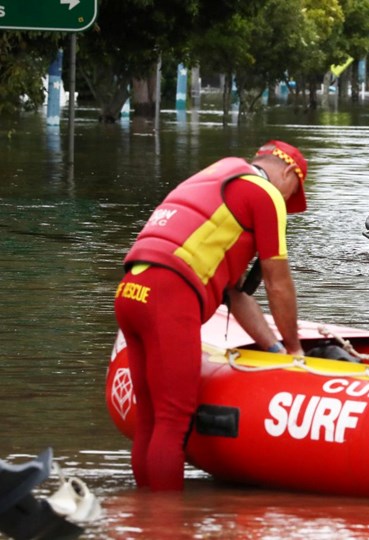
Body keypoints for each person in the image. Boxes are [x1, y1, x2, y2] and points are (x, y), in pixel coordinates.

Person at [114, 140, 310, 491]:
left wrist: (277, 350)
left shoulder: (217, 176)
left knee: (149, 418)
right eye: (293, 192)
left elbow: (234, 295)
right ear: (287, 172)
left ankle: (141, 519)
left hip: (132, 290)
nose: (286, 203)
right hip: (169, 296)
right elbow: (278, 283)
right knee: (173, 421)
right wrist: (296, 350)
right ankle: (164, 525)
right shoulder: (264, 193)